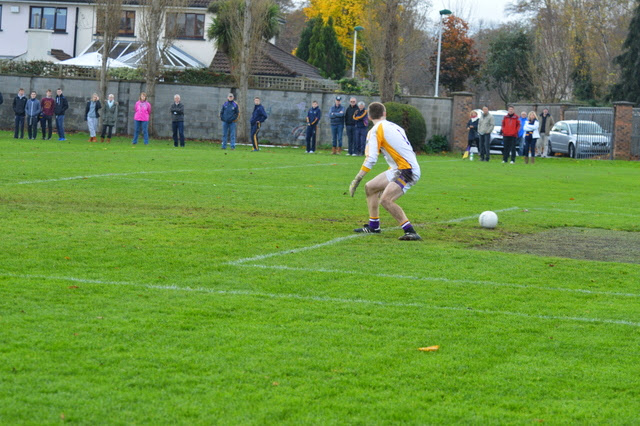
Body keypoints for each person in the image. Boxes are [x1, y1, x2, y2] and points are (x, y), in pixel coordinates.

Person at [349, 102, 422, 241]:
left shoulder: (375, 130)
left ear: (369, 117)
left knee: (386, 200)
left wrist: (357, 179)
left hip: (407, 170)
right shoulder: (395, 126)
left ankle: (410, 231)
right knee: (370, 187)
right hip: (399, 168)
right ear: (385, 114)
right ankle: (373, 226)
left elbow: (371, 158)